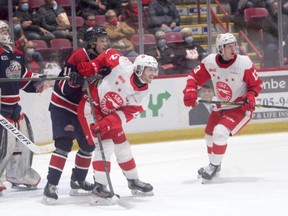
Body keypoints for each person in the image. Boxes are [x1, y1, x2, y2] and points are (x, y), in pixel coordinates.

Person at [76, 50, 156, 205]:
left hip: (108, 117)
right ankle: (99, 187)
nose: (153, 73)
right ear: (139, 69)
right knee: (105, 145)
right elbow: (108, 53)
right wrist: (94, 65)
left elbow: (122, 116)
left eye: (154, 70)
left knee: (123, 146)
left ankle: (133, 180)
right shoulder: (122, 65)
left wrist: (105, 124)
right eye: (150, 70)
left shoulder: (143, 97)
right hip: (91, 106)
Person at [42, 26, 110, 204]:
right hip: (63, 106)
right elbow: (63, 87)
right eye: (102, 40)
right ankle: (50, 185)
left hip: (82, 108)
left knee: (88, 146)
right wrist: (73, 82)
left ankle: (78, 180)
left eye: (105, 40)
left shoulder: (103, 58)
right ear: (92, 42)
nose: (105, 43)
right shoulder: (79, 55)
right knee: (64, 144)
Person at [182, 33, 263, 182]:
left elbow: (257, 85)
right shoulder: (210, 62)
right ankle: (215, 165)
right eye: (229, 46)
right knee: (209, 135)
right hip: (221, 105)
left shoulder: (244, 63)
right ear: (220, 49)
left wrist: (250, 95)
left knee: (220, 132)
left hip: (240, 108)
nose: (234, 48)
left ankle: (213, 165)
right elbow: (194, 77)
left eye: (234, 45)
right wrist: (190, 90)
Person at [0, 20, 49, 195]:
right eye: (2, 30)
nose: (5, 33)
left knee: (23, 143)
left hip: (14, 107)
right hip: (1, 108)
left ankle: (18, 174)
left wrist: (41, 80)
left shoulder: (17, 54)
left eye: (6, 29)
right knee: (5, 146)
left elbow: (22, 79)